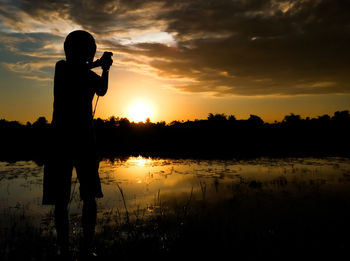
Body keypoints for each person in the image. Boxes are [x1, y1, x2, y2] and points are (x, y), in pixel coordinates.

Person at [42, 30, 113, 259]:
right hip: (62, 142)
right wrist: (97, 64)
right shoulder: (61, 67)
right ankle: (64, 247)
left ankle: (87, 244)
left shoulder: (87, 73)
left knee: (89, 196)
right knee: (61, 199)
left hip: (83, 142)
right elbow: (77, 71)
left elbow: (102, 89)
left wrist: (106, 69)